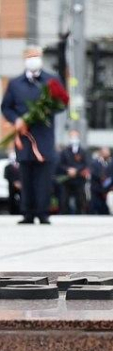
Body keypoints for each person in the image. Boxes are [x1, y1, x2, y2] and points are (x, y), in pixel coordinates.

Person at [1, 46, 63, 225]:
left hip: (43, 135)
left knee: (44, 176)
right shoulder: (15, 83)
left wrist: (44, 111)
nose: (33, 59)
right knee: (26, 174)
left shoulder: (51, 80)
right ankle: (28, 212)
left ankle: (43, 212)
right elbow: (6, 107)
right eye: (30, 56)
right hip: (23, 136)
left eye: (36, 56)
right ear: (24, 59)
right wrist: (16, 120)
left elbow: (61, 102)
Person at [58, 130, 89, 214]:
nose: (74, 138)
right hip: (67, 179)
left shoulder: (83, 151)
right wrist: (68, 169)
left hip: (79, 179)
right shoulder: (64, 151)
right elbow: (60, 164)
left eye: (75, 136)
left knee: (80, 198)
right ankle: (64, 213)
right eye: (72, 136)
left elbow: (85, 164)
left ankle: (80, 213)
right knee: (64, 198)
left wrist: (76, 170)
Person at [89, 146, 112, 215]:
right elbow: (94, 173)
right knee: (96, 205)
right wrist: (103, 178)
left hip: (106, 189)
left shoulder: (110, 163)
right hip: (96, 189)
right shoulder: (95, 163)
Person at [4, 150, 22, 215]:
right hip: (11, 185)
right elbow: (6, 176)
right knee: (11, 199)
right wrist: (14, 182)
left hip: (21, 185)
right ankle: (12, 211)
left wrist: (20, 183)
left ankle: (22, 211)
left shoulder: (21, 167)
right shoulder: (7, 167)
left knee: (22, 198)